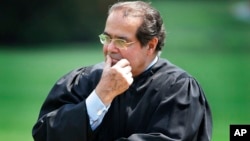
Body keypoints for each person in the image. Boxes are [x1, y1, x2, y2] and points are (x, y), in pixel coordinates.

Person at [32, 1, 212, 141]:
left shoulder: (178, 90)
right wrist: (99, 97)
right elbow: (45, 134)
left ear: (150, 45)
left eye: (121, 41)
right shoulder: (83, 80)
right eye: (106, 38)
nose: (110, 48)